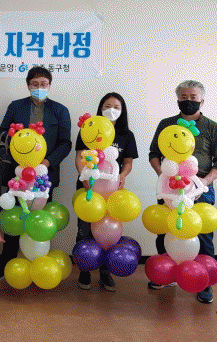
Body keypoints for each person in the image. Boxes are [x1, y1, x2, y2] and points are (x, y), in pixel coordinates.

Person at [148, 80, 217, 304]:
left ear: (202, 100)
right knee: (165, 231)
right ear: (177, 100)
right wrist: (163, 176)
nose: (188, 101)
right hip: (170, 190)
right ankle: (165, 275)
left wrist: (203, 182)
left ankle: (204, 282)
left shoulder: (214, 128)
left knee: (203, 235)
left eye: (193, 97)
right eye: (184, 97)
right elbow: (153, 153)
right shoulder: (166, 125)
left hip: (200, 191)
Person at [0, 66, 72, 279]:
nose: (39, 87)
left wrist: (46, 163)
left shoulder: (60, 110)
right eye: (35, 84)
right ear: (28, 85)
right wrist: (16, 139)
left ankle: (38, 266)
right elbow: (1, 132)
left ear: (50, 85)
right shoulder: (16, 106)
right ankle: (7, 263)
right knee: (13, 219)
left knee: (39, 220)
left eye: (43, 84)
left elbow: (65, 143)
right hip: (17, 173)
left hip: (44, 175)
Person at [74, 93, 138, 291]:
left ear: (122, 111)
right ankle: (84, 271)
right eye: (107, 105)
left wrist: (123, 175)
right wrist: (84, 177)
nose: (112, 110)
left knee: (109, 231)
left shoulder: (126, 135)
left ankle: (105, 272)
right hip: (88, 188)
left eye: (116, 107)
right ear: (101, 108)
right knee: (84, 230)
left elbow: (128, 162)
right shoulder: (89, 129)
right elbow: (79, 156)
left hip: (112, 190)